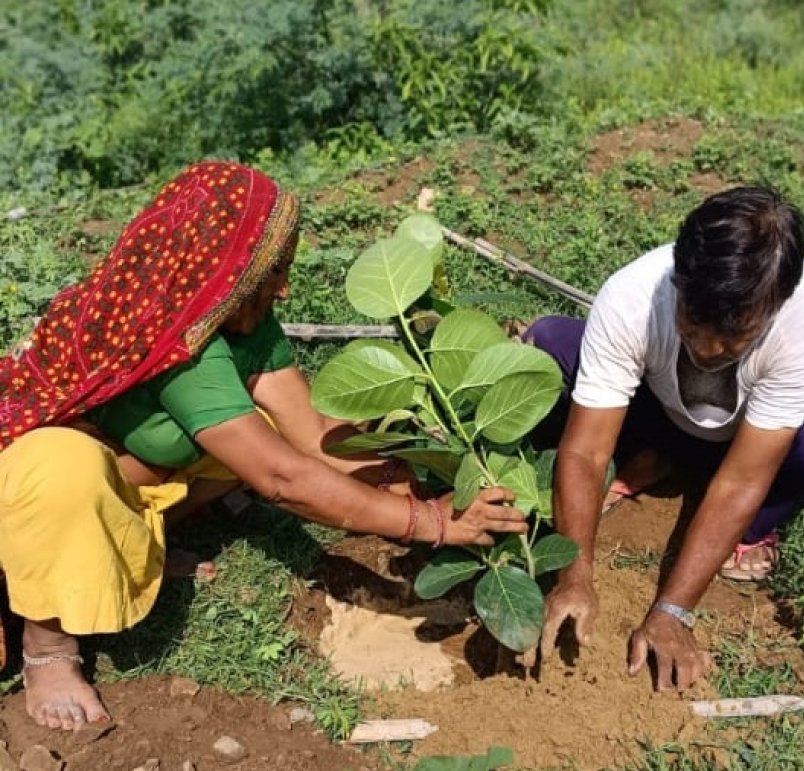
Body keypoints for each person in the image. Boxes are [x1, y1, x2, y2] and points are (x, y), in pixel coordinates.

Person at [0, 161, 527, 731]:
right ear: (225, 272)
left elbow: (308, 431)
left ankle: (131, 540)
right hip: (36, 502)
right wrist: (430, 524)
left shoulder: (237, 317)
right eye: (272, 271)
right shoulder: (183, 344)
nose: (284, 285)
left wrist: (407, 473)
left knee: (259, 434)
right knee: (66, 470)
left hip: (132, 473)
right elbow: (283, 479)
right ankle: (48, 647)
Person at [522, 185, 804, 689]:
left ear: (776, 305)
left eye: (735, 334)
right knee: (549, 341)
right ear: (679, 281)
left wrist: (672, 611)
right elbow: (587, 449)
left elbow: (741, 481)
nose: (708, 347)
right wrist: (573, 576)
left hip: (754, 446)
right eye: (694, 322)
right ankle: (662, 453)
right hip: (664, 412)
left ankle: (748, 531)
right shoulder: (635, 294)